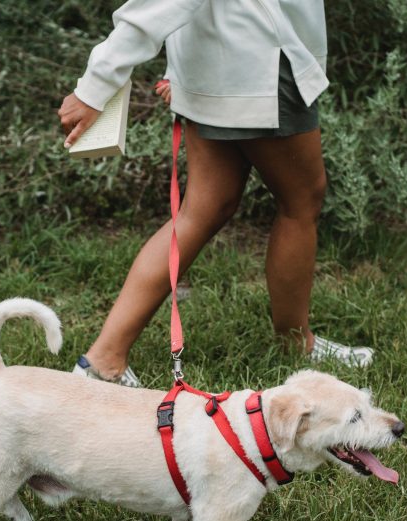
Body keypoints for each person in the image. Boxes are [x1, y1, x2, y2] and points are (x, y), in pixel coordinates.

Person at [58, 0, 373, 388]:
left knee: (203, 209)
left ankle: (103, 361)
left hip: (215, 65)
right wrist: (95, 87)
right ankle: (296, 343)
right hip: (259, 60)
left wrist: (178, 69)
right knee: (301, 200)